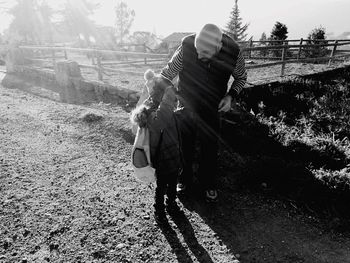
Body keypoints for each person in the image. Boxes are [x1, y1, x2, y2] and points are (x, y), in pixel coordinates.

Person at [160, 23, 247, 202]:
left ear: (218, 47)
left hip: (212, 106)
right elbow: (166, 75)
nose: (199, 55)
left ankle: (208, 183)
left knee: (210, 146)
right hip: (186, 104)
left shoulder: (234, 53)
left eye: (205, 53)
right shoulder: (187, 46)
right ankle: (184, 178)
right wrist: (174, 95)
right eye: (197, 51)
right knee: (186, 145)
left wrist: (230, 97)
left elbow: (241, 77)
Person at [131, 69, 182, 223]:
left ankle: (171, 203)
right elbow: (164, 114)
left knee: (172, 183)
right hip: (161, 158)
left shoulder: (160, 109)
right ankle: (159, 210)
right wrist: (169, 89)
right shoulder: (151, 115)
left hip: (172, 154)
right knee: (161, 186)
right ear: (157, 94)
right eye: (164, 93)